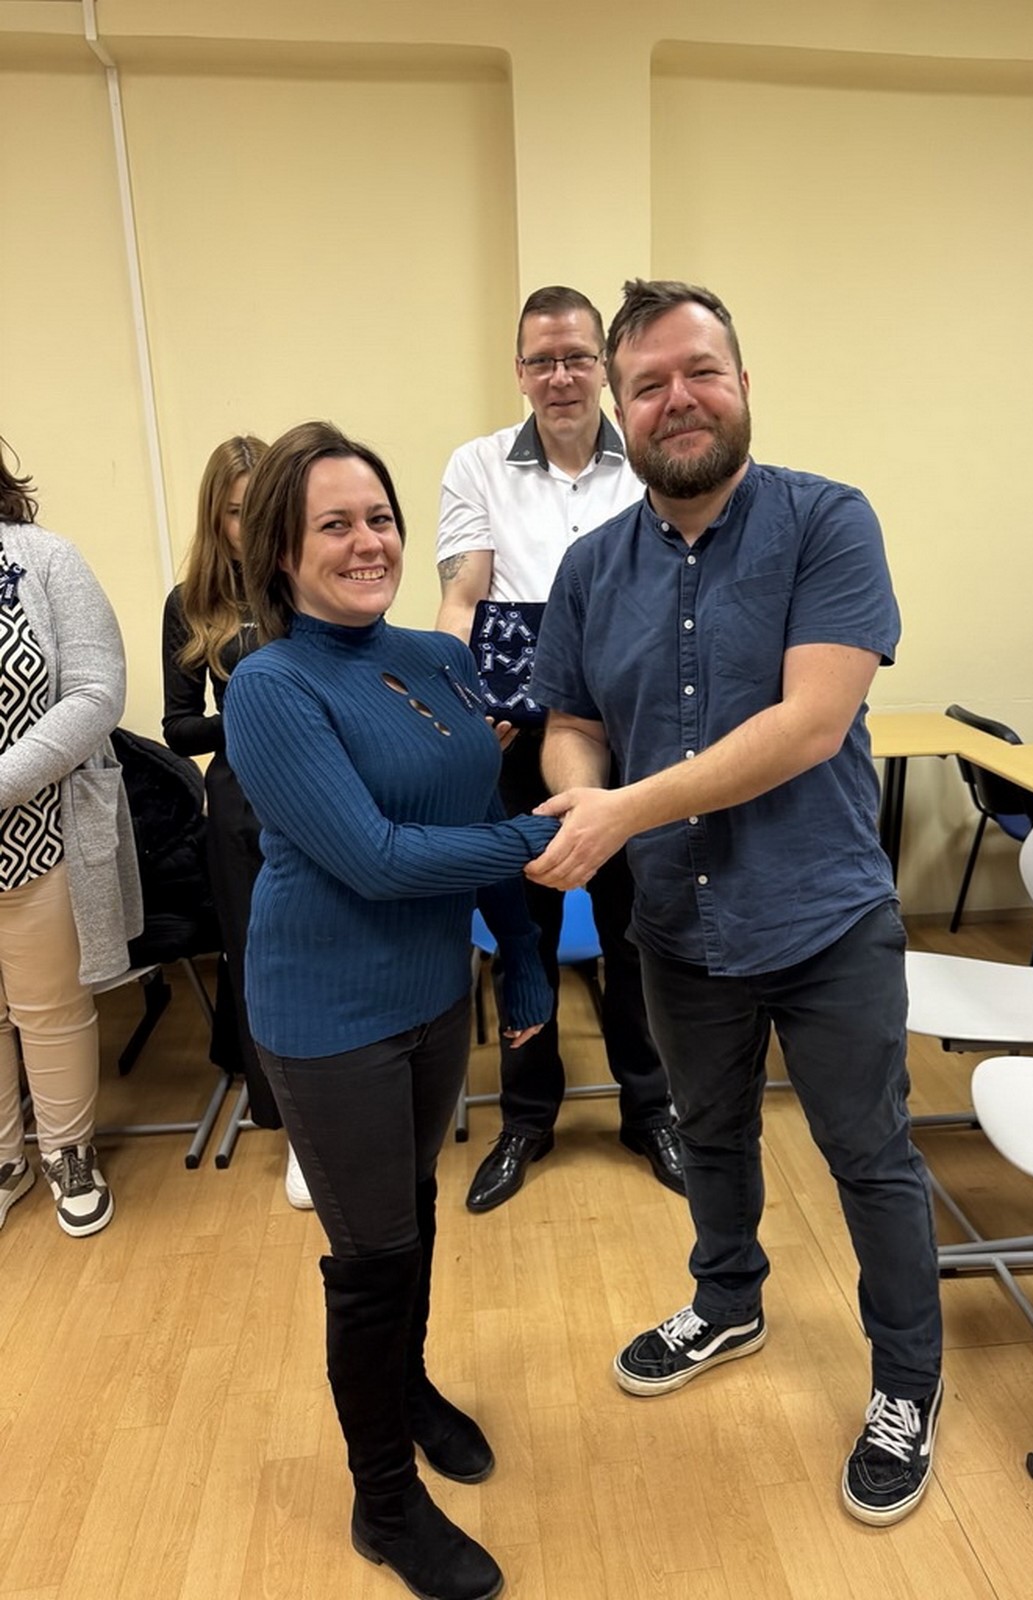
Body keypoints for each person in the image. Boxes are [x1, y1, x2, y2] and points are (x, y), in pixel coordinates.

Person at [526, 280, 945, 1527]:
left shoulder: (828, 521)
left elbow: (811, 723)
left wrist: (621, 809)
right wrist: (578, 790)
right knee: (709, 1133)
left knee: (869, 1156)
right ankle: (727, 1300)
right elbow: (569, 721)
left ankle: (907, 1382)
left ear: (744, 384)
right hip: (680, 926)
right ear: (621, 410)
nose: (679, 399)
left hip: (823, 919)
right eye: (649, 384)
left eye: (700, 371)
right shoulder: (592, 568)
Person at [224, 421, 559, 1600]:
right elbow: (375, 857)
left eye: (378, 518)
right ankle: (383, 1503)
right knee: (371, 1256)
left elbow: (473, 813)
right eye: (334, 524)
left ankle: (406, 1389)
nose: (366, 541)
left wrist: (524, 958)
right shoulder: (268, 685)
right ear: (281, 552)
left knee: (409, 1210)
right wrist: (545, 839)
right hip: (328, 1011)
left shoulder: (436, 656)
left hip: (431, 993)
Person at [435, 284, 683, 1212]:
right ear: (519, 372)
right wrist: (461, 705)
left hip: (637, 732)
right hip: (515, 734)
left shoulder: (649, 460)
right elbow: (463, 599)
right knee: (521, 935)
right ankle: (527, 1118)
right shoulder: (477, 465)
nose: (562, 376)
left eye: (578, 357)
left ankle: (651, 1111)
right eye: (543, 360)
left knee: (638, 932)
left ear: (604, 366)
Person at [161, 434, 314, 1209]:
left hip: (315, 786)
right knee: (259, 962)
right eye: (232, 513)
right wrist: (252, 712)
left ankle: (342, 1102)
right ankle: (291, 1129)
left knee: (322, 948)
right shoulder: (189, 602)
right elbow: (178, 729)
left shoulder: (304, 581)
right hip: (239, 800)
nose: (247, 527)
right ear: (212, 517)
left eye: (260, 510)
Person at [0, 436, 140, 1238]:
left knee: (47, 1005)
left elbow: (95, 692)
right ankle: (4, 1160)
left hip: (39, 829)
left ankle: (66, 1153)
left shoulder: (45, 559)